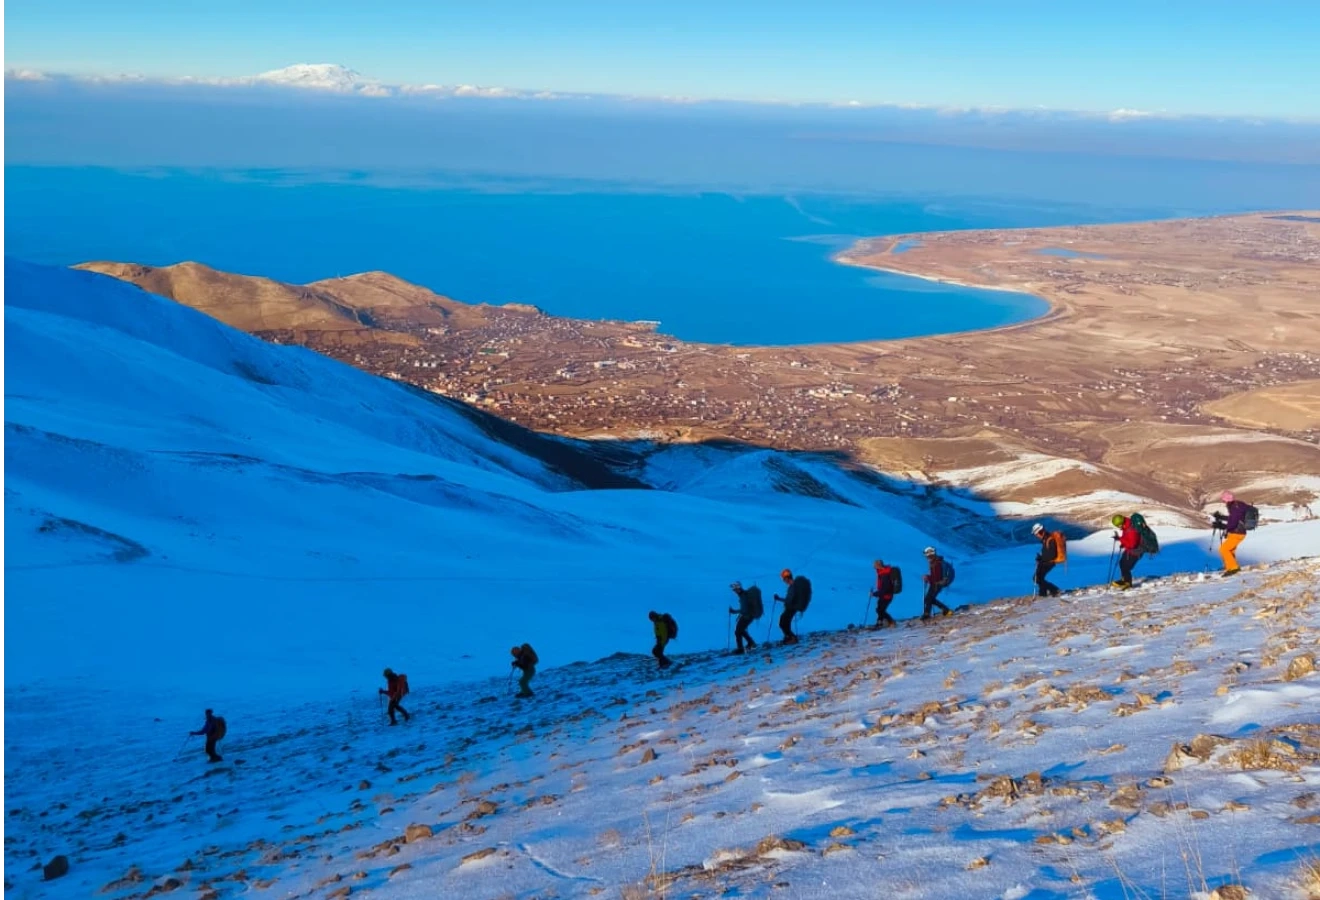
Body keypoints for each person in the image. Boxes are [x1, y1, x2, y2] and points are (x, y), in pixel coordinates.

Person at [774, 569, 812, 644]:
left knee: (782, 623)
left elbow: (789, 600)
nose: (784, 581)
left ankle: (792, 638)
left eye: (784, 579)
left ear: (787, 578)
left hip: (791, 608)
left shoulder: (792, 587)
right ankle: (789, 638)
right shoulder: (794, 586)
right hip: (793, 608)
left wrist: (779, 599)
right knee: (785, 622)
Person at [1217, 491, 1250, 576]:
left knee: (1223, 549)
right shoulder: (1237, 505)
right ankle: (1230, 567)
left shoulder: (1234, 507)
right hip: (1238, 532)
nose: (1223, 502)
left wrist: (1224, 527)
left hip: (1237, 533)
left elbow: (1234, 521)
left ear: (1227, 500)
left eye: (1223, 500)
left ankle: (1234, 568)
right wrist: (1221, 518)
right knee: (1230, 550)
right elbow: (1233, 518)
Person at [728, 582, 761, 654]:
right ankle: (751, 643)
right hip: (749, 616)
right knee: (741, 630)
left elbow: (744, 610)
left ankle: (740, 649)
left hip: (747, 616)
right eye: (734, 590)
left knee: (738, 631)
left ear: (739, 588)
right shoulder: (744, 595)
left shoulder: (743, 596)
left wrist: (734, 611)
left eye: (735, 590)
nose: (735, 591)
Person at [1031, 524, 1063, 597]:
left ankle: (1054, 589)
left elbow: (1052, 555)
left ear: (1041, 531)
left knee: (1037, 578)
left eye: (1037, 534)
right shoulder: (1046, 539)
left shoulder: (1050, 539)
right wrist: (1040, 557)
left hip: (1049, 562)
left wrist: (1041, 559)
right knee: (1039, 577)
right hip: (1046, 561)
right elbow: (1047, 552)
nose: (1037, 536)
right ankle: (1043, 593)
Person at [1111, 514, 1142, 588]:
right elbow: (1127, 538)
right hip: (1130, 549)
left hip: (1136, 551)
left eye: (1118, 525)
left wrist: (1120, 539)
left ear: (1121, 523)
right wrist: (1122, 542)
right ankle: (1124, 579)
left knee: (1126, 567)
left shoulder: (1130, 529)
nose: (1118, 527)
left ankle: (1128, 583)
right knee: (1122, 563)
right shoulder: (1126, 525)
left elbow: (1132, 545)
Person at [921, 548, 952, 620]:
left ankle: (927, 614)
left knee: (928, 599)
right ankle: (946, 610)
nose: (927, 558)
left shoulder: (936, 564)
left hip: (937, 584)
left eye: (928, 556)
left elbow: (936, 578)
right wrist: (928, 577)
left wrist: (927, 578)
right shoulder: (936, 562)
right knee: (929, 599)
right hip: (937, 584)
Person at [871, 560, 898, 629]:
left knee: (881, 610)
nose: (874, 568)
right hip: (884, 595)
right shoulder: (883, 573)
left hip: (886, 596)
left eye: (875, 566)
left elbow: (885, 589)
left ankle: (890, 622)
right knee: (879, 609)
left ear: (878, 566)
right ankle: (880, 622)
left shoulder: (885, 574)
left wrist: (874, 594)